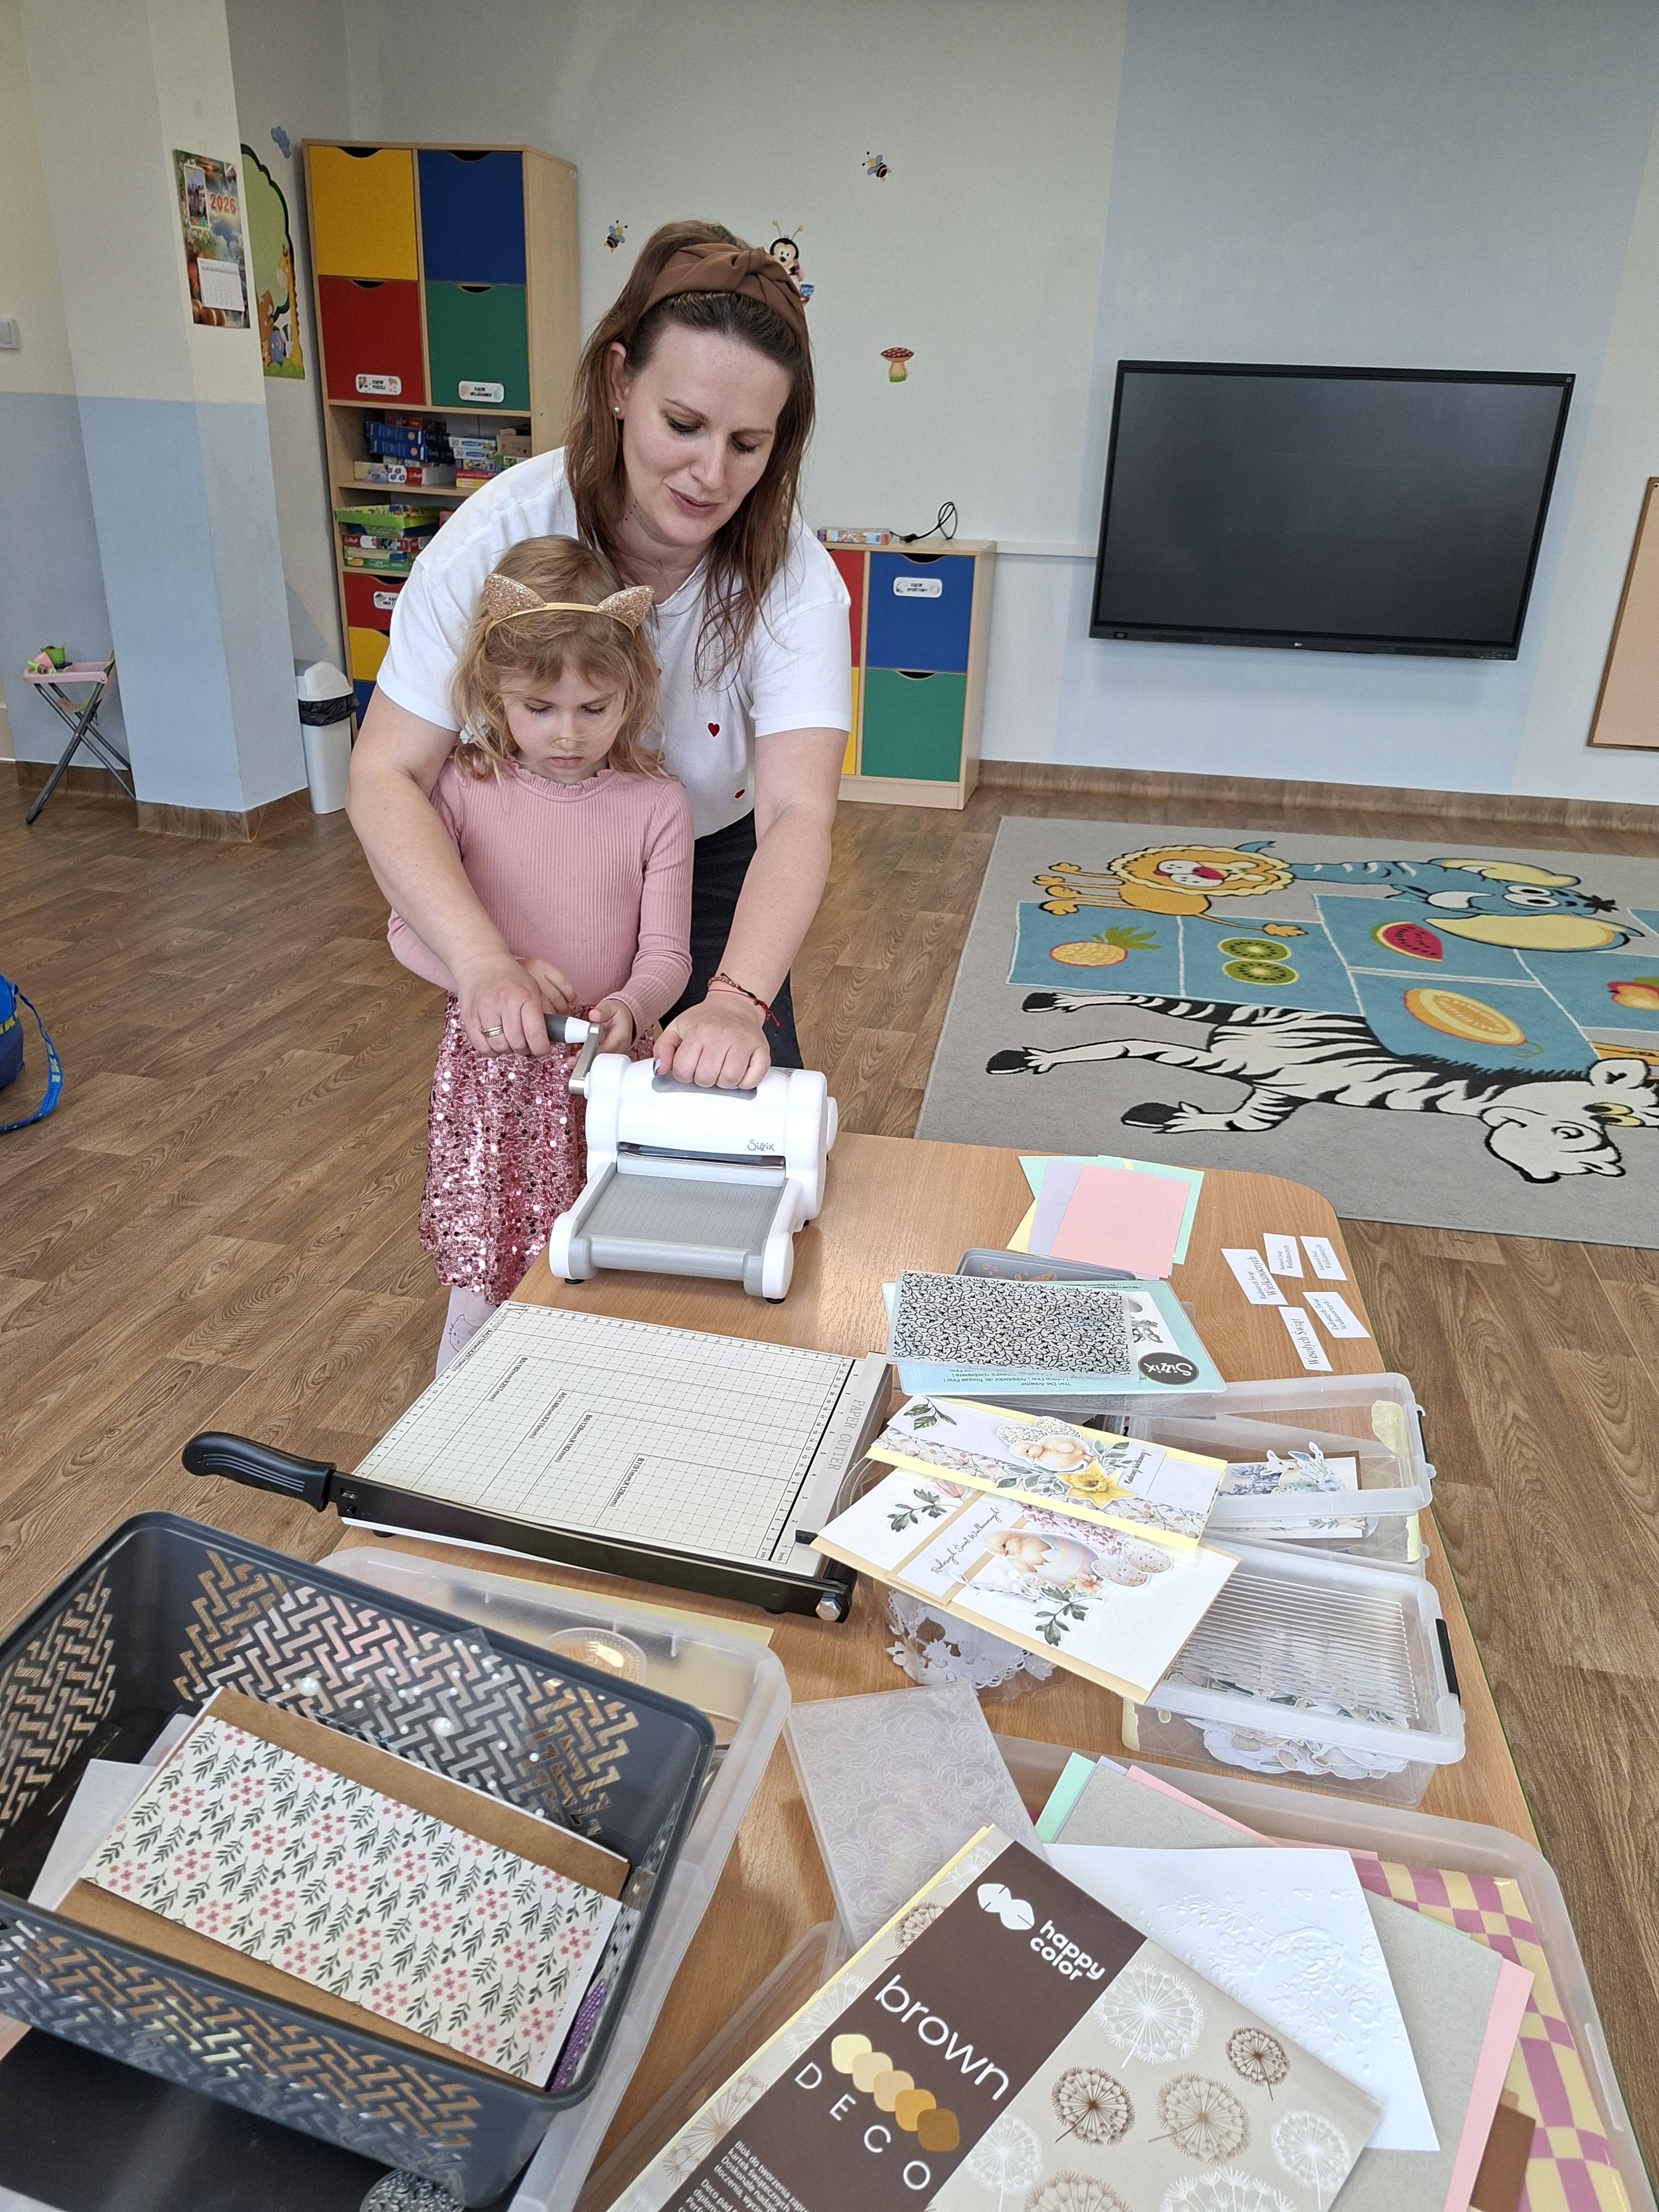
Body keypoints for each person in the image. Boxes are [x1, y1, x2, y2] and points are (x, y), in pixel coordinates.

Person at [349, 218, 849, 1091]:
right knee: (542, 1127)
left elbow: (797, 811)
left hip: (709, 856)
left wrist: (737, 998)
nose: (710, 475)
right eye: (683, 425)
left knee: (739, 1125)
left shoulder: (795, 578)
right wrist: (480, 957)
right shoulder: (491, 539)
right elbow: (385, 774)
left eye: (747, 444)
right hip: (529, 855)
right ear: (620, 383)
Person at [386, 536, 692, 1371]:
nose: (567, 735)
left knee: (609, 1262)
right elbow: (406, 931)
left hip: (612, 1075)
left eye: (593, 709)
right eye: (539, 708)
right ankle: (463, 1411)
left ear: (631, 692)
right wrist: (494, 973)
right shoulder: (459, 790)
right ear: (495, 693)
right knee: (492, 1268)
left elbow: (667, 954)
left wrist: (631, 1006)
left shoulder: (658, 804)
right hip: (496, 1074)